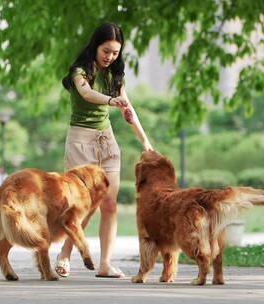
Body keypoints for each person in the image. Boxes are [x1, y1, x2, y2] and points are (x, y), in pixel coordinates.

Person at [56, 23, 153, 278]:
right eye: (106, 50)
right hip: (81, 143)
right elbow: (87, 94)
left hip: (107, 142)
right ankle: (65, 253)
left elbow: (128, 110)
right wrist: (111, 100)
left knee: (109, 205)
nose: (110, 57)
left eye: (115, 53)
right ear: (95, 46)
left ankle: (105, 264)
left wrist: (145, 141)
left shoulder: (115, 75)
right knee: (84, 206)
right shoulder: (80, 71)